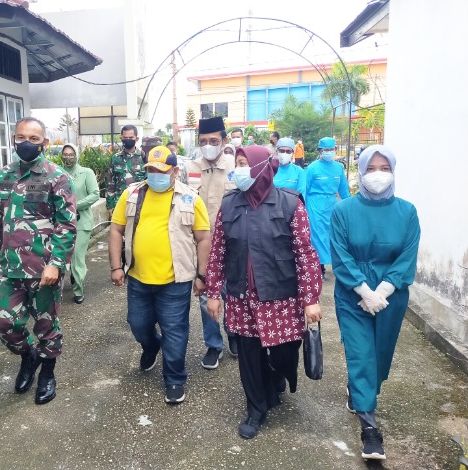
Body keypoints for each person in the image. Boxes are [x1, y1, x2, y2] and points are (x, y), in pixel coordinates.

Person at [205, 144, 322, 440]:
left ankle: (277, 374)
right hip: (242, 296)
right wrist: (214, 293)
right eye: (237, 163)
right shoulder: (229, 205)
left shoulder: (290, 204)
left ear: (261, 167)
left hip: (281, 296)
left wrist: (310, 299)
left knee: (284, 353)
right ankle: (256, 408)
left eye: (244, 163)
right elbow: (218, 252)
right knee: (249, 355)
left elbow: (305, 254)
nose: (239, 169)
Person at [330, 145, 420, 461]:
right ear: (360, 171)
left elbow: (408, 254)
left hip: (391, 296)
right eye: (370, 168)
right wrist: (364, 291)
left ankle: (361, 390)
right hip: (352, 294)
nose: (377, 175)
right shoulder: (343, 211)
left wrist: (383, 290)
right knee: (361, 354)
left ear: (393, 172)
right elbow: (340, 254)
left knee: (380, 356)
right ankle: (369, 430)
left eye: (384, 168)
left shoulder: (407, 212)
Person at [108, 146, 211, 404]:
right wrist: (116, 266)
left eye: (161, 170)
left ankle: (175, 378)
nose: (155, 174)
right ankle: (152, 346)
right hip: (138, 278)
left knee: (174, 331)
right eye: (151, 169)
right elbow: (116, 230)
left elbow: (203, 238)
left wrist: (202, 275)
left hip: (175, 281)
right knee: (138, 324)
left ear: (175, 171)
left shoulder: (190, 198)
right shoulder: (131, 194)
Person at [0, 117, 76, 405]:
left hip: (43, 267)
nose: (26, 143)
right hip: (9, 266)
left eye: (34, 139)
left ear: (44, 143)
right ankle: (29, 356)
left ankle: (47, 372)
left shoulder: (56, 177)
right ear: (13, 140)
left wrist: (56, 263)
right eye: (21, 137)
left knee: (46, 324)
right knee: (5, 325)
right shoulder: (3, 176)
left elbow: (66, 225)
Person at [185, 116, 237, 368]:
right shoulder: (189, 168)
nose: (208, 145)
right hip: (201, 244)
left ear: (223, 141)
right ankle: (213, 345)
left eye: (214, 141)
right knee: (206, 295)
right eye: (204, 141)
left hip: (233, 243)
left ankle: (234, 334)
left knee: (234, 293)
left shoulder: (236, 167)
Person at [305, 137, 350, 279]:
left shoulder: (338, 168)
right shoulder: (312, 168)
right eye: (326, 150)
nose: (329, 152)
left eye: (331, 149)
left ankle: (335, 264)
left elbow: (344, 190)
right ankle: (319, 267)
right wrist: (302, 209)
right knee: (317, 236)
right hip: (315, 205)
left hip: (332, 204)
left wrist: (350, 207)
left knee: (332, 235)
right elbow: (304, 189)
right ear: (320, 151)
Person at [61, 143, 99, 304]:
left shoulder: (86, 173)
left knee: (77, 256)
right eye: (65, 154)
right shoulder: (58, 173)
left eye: (71, 154)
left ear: (77, 155)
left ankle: (78, 289)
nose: (68, 157)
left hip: (81, 221)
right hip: (61, 222)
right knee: (61, 255)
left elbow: (95, 194)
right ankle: (64, 282)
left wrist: (75, 205)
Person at [105, 125, 147, 215]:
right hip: (119, 203)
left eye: (131, 137)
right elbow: (110, 183)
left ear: (136, 139)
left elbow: (148, 180)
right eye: (125, 137)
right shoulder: (115, 158)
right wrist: (110, 205)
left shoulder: (144, 157)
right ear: (121, 138)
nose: (128, 139)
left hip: (139, 203)